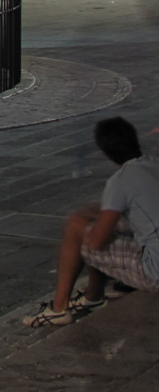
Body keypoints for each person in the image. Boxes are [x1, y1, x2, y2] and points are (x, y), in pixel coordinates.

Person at [25, 116, 159, 327]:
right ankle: (93, 296)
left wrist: (86, 225)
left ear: (105, 153)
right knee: (94, 220)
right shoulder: (153, 164)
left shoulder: (120, 181)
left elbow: (97, 242)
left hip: (154, 269)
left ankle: (59, 307)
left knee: (77, 229)